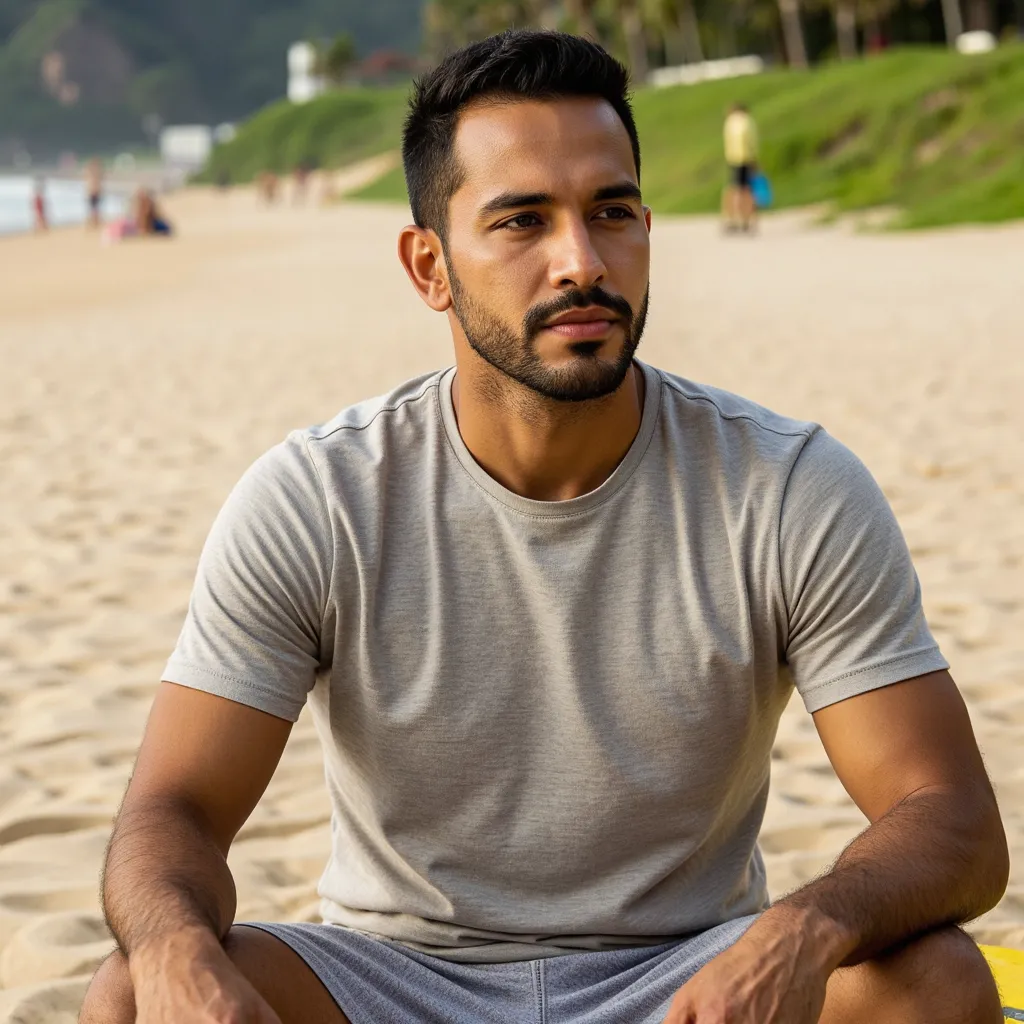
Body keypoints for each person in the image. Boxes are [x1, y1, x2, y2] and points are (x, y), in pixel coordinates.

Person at [81, 30, 1007, 1024]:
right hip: (395, 979)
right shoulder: (320, 498)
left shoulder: (785, 487)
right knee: (136, 993)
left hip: (688, 977)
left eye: (611, 213)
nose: (581, 261)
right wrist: (178, 951)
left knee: (935, 980)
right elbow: (170, 810)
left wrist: (804, 925)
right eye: (521, 222)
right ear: (428, 266)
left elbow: (949, 818)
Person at [722, 102, 759, 233]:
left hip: (732, 159)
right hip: (746, 158)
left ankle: (731, 218)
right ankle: (746, 219)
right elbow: (751, 141)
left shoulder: (729, 122)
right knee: (747, 190)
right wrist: (754, 158)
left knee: (733, 189)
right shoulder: (747, 121)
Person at [85, 158, 104, 228]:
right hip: (93, 192)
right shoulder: (94, 174)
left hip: (94, 192)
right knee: (94, 208)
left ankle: (94, 222)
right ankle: (94, 222)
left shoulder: (94, 174)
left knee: (94, 208)